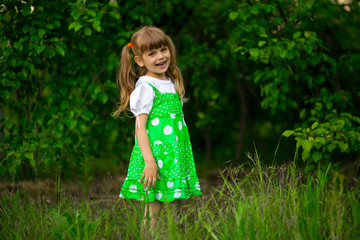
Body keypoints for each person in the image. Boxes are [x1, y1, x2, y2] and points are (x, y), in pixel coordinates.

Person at [113, 26, 202, 229]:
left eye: (163, 50)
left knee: (172, 203)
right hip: (155, 156)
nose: (160, 57)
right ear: (140, 60)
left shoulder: (170, 82)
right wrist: (149, 162)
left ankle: (170, 233)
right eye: (152, 53)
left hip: (173, 155)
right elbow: (140, 129)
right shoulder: (146, 86)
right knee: (153, 209)